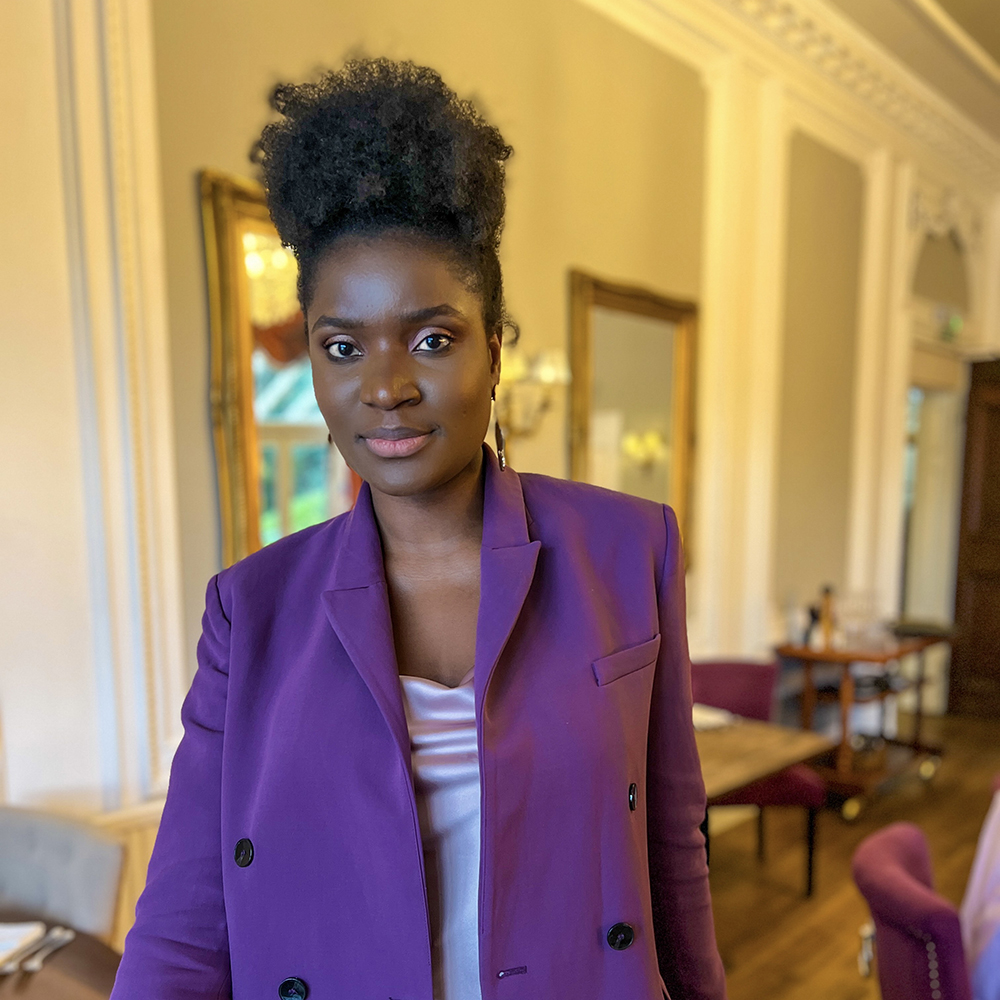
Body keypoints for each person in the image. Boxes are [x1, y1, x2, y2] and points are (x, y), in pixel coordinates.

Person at [111, 58, 726, 1000]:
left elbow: (674, 851)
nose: (385, 385)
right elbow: (187, 925)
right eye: (343, 346)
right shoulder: (252, 610)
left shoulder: (627, 549)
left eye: (431, 338)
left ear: (495, 346)